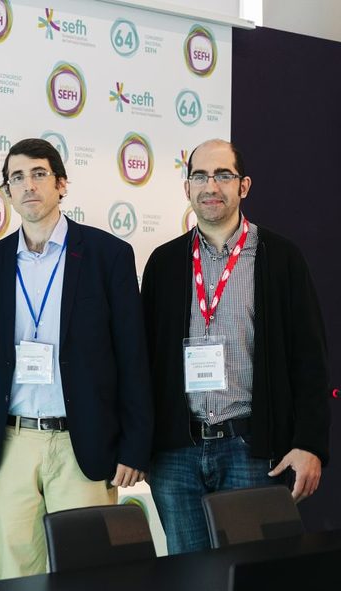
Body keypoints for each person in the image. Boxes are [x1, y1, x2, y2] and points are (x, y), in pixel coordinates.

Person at [142, 139, 330, 554]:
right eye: (200, 176)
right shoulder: (163, 263)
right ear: (187, 188)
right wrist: (141, 446)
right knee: (187, 575)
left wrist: (310, 443)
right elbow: (144, 364)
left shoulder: (280, 258)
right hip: (176, 455)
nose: (211, 186)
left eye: (223, 175)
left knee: (251, 572)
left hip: (251, 449)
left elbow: (310, 360)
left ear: (243, 186)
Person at [0, 138, 153, 577]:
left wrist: (134, 446)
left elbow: (133, 356)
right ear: (7, 191)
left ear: (61, 184)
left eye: (39, 174)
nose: (29, 185)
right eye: (17, 177)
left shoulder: (108, 255)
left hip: (83, 442)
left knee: (89, 573)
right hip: (11, 444)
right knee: (15, 574)